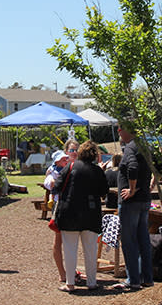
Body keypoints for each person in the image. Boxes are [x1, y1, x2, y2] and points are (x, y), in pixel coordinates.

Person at [55, 140, 106, 292]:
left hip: (69, 213)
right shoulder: (97, 171)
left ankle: (70, 283)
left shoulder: (70, 167)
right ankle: (92, 282)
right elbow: (104, 191)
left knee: (70, 249)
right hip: (91, 214)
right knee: (90, 249)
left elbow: (57, 186)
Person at [113, 122, 153, 291]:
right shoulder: (146, 146)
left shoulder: (130, 147)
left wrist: (131, 189)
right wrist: (149, 186)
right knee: (143, 240)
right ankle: (147, 278)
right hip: (144, 200)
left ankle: (133, 280)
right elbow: (159, 166)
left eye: (120, 129)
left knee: (129, 241)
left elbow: (133, 167)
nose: (118, 132)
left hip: (131, 203)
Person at [44, 142, 78, 284]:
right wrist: (51, 181)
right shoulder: (55, 169)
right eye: (71, 150)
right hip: (60, 205)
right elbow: (48, 182)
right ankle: (62, 273)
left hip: (75, 205)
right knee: (59, 240)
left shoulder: (77, 166)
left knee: (73, 241)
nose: (74, 152)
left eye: (76, 149)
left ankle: (72, 271)